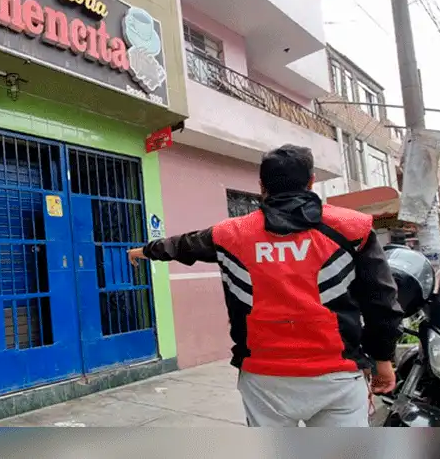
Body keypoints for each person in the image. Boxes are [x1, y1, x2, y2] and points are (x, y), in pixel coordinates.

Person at [128, 144, 404, 427]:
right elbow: (381, 299)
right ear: (310, 182)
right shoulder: (352, 229)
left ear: (261, 185)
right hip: (338, 379)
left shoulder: (231, 234)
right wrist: (383, 359)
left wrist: (145, 251)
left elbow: (184, 245)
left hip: (263, 379)